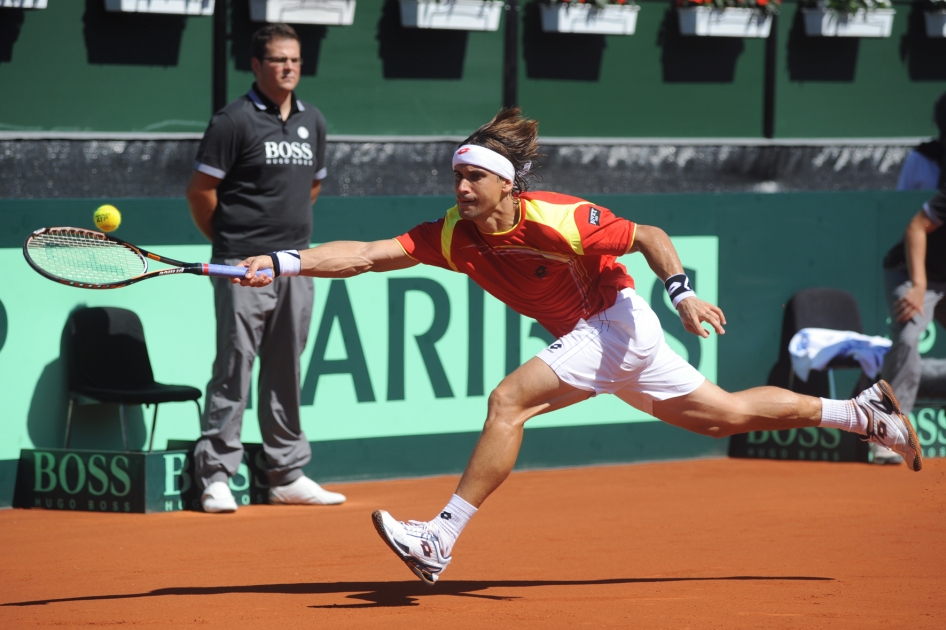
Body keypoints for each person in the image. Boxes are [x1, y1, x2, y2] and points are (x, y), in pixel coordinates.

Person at [235, 108, 921, 582]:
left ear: (507, 181)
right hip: (604, 341)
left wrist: (682, 294)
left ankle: (439, 537)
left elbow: (649, 235)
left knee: (508, 401)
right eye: (457, 177)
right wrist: (286, 261)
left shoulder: (558, 219)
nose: (462, 187)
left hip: (618, 324)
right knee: (729, 414)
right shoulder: (454, 234)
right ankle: (865, 415)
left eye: (474, 177)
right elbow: (365, 253)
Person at [185, 24, 345, 513]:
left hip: (295, 263)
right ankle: (215, 474)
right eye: (278, 60)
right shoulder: (232, 121)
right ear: (256, 66)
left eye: (294, 59)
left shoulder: (312, 120)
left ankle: (286, 472)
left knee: (286, 368)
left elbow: (310, 187)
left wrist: (283, 252)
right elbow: (200, 192)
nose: (289, 67)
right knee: (235, 365)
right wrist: (231, 248)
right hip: (239, 264)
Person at [872, 92, 945, 465]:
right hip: (912, 272)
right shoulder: (930, 166)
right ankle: (887, 433)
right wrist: (917, 285)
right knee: (908, 335)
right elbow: (918, 226)